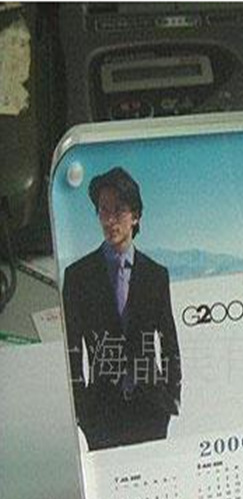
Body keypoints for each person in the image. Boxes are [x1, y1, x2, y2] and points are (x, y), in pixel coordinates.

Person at [62, 167, 182, 450]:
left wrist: (172, 396)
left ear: (135, 216)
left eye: (118, 210)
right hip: (100, 411)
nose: (109, 219)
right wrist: (80, 406)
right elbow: (71, 347)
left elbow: (168, 340)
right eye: (103, 210)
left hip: (151, 408)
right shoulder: (78, 276)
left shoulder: (155, 274)